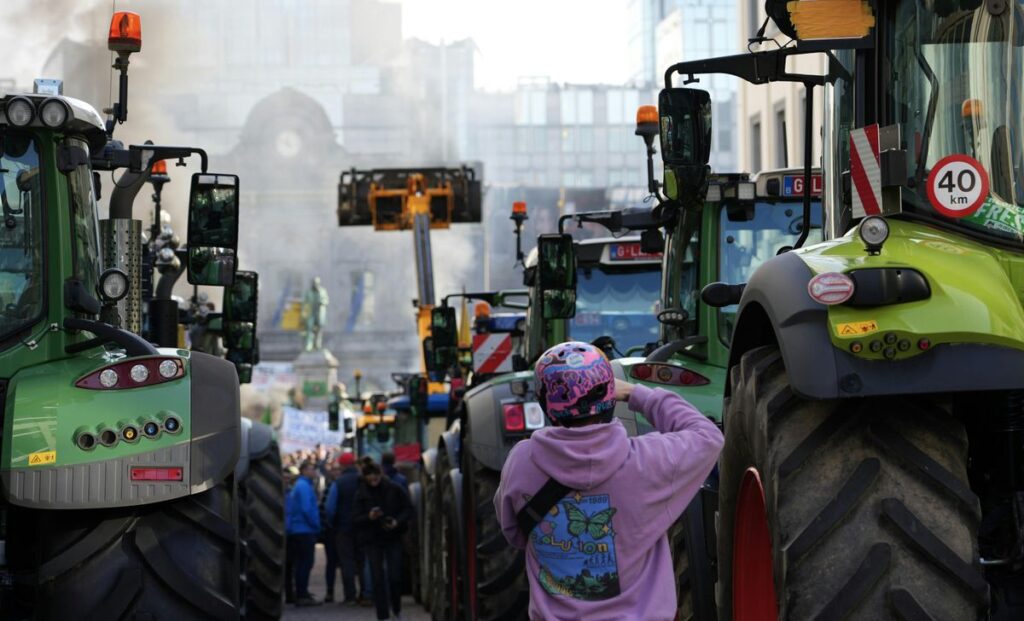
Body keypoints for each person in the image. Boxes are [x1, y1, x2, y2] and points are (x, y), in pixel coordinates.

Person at [494, 341, 723, 620]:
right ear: (610, 399)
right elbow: (708, 436)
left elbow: (514, 533)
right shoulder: (648, 462)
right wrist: (636, 393)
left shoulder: (521, 464)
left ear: (546, 404)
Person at [352, 459, 412, 621]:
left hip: (392, 537)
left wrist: (397, 521)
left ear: (380, 475)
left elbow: (408, 509)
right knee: (377, 578)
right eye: (369, 478)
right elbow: (355, 518)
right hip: (372, 540)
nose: (373, 481)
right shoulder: (361, 493)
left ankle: (396, 609)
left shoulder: (394, 489)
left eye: (375, 477)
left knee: (395, 577)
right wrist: (369, 517)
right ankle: (383, 616)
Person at [326, 452, 367, 605]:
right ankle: (364, 593)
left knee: (347, 562)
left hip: (343, 528)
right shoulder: (363, 481)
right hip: (362, 526)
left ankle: (350, 596)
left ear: (342, 465)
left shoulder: (339, 483)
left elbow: (330, 508)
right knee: (362, 561)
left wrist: (332, 524)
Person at [286, 460, 323, 607]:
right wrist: (316, 525)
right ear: (304, 470)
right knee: (305, 563)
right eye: (312, 469)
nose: (314, 472)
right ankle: (302, 594)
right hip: (304, 530)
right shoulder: (304, 486)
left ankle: (302, 592)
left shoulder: (300, 485)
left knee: (302, 563)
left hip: (298, 530)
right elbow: (307, 509)